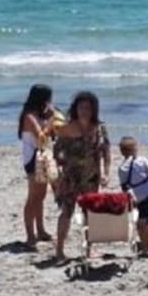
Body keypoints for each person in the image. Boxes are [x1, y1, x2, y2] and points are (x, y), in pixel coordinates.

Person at [52, 91, 111, 262]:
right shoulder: (67, 128)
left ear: (94, 109)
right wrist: (60, 169)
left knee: (90, 214)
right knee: (66, 212)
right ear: (75, 109)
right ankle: (60, 251)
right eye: (81, 107)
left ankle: (89, 250)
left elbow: (106, 153)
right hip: (70, 177)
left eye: (87, 107)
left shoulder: (100, 128)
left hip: (91, 177)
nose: (84, 111)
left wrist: (106, 173)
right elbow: (57, 152)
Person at [18, 84, 58, 248]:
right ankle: (30, 235)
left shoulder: (40, 115)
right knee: (33, 197)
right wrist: (51, 121)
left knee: (41, 196)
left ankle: (40, 230)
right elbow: (40, 136)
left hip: (43, 157)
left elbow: (51, 136)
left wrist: (52, 118)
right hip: (33, 158)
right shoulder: (29, 116)